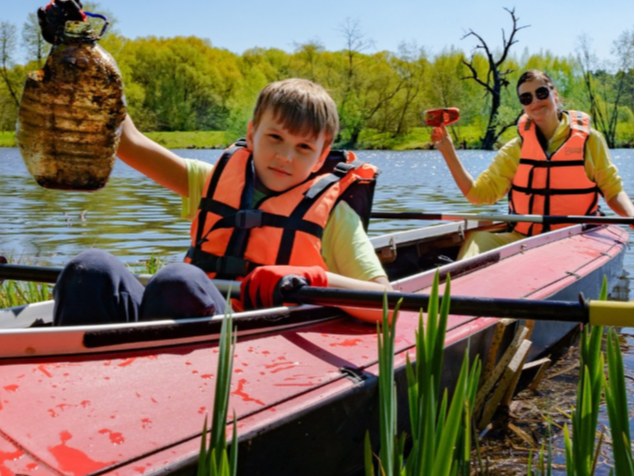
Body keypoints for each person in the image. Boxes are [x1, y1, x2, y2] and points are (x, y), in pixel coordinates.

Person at [52, 77, 390, 326]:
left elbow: (385, 305)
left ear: (320, 156)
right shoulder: (208, 180)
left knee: (177, 282)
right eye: (275, 137)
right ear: (253, 133)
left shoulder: (336, 217)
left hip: (255, 334)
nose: (286, 156)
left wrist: (314, 279)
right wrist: (87, 60)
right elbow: (128, 142)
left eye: (304, 147)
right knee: (89, 270)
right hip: (187, 316)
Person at [430, 69, 634, 260]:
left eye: (541, 93)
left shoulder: (590, 140)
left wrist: (633, 214)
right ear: (523, 105)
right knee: (478, 238)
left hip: (577, 237)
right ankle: (454, 301)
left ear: (555, 94)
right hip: (523, 239)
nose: (535, 102)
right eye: (526, 98)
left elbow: (612, 191)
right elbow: (477, 195)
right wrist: (448, 151)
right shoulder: (514, 149)